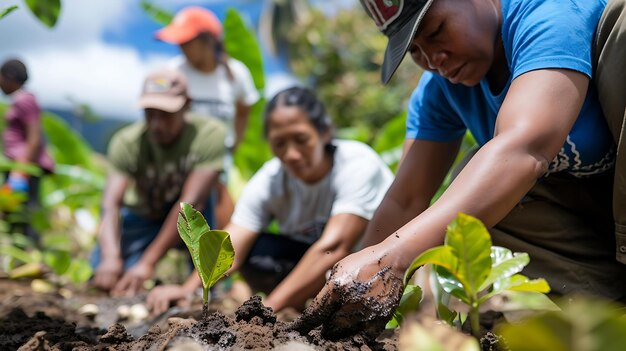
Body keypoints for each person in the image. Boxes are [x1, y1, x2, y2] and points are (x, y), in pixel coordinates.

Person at [292, 0, 626, 340]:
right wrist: (358, 275)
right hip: (598, 239)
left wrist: (394, 258)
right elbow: (405, 201)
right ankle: (601, 314)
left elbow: (525, 148)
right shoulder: (440, 91)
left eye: (436, 32)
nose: (433, 60)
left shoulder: (547, 12)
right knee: (473, 187)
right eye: (415, 51)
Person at [145, 86, 394, 314]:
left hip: (369, 268)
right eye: (279, 143)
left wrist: (267, 309)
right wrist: (189, 290)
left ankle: (297, 303)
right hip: (309, 266)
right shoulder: (270, 179)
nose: (291, 154)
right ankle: (300, 302)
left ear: (325, 133)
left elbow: (336, 246)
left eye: (301, 139)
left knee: (335, 264)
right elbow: (234, 241)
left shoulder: (357, 164)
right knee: (256, 252)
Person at [91, 68, 226, 296]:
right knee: (106, 277)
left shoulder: (209, 135)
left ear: (186, 105)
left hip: (190, 216)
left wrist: (147, 263)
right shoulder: (127, 143)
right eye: (149, 114)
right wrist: (111, 257)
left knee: (203, 218)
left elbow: (190, 204)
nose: (156, 124)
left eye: (165, 115)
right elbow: (111, 204)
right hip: (145, 214)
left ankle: (205, 285)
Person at [155, 6, 261, 229]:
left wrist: (235, 143)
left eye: (187, 42)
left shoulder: (236, 74)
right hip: (182, 158)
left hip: (220, 158)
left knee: (218, 217)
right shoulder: (174, 71)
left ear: (209, 41)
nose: (181, 48)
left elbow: (244, 111)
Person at [0, 58, 54, 240]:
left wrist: (20, 171)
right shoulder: (21, 100)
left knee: (25, 215)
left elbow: (34, 138)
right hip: (20, 166)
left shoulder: (25, 100)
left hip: (23, 168)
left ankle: (31, 257)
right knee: (16, 214)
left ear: (10, 77)